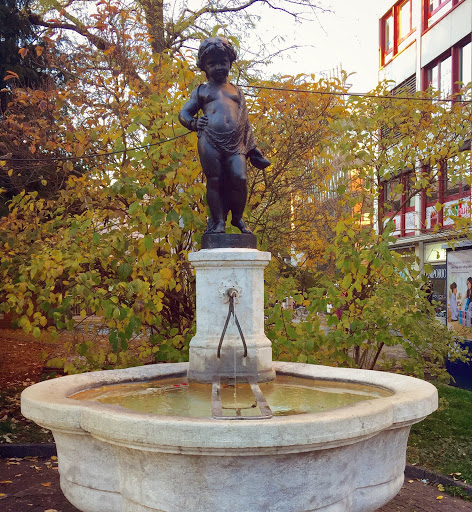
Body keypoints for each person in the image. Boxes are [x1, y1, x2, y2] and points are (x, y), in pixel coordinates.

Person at [178, 37, 270, 234]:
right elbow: (183, 114)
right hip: (209, 140)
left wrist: (252, 149)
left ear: (230, 63)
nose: (219, 67)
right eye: (212, 64)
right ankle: (218, 221)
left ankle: (237, 218)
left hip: (236, 142)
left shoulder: (236, 91)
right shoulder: (202, 91)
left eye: (223, 63)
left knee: (240, 177)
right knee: (215, 180)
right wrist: (194, 123)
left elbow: (245, 121)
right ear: (204, 67)